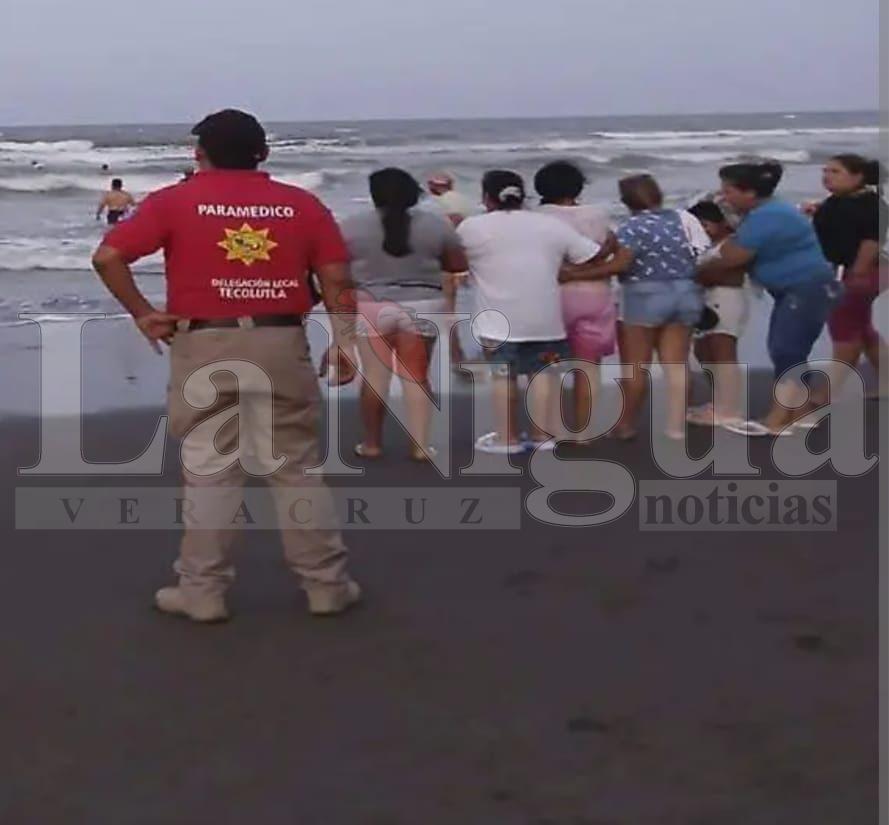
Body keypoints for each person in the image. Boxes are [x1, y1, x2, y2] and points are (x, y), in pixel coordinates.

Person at [92, 109, 361, 623]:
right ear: (263, 153)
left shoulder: (173, 201)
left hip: (204, 342)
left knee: (211, 469)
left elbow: (108, 257)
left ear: (199, 154)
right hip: (280, 340)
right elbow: (335, 276)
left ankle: (203, 591)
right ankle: (326, 585)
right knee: (295, 467)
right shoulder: (301, 204)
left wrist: (145, 315)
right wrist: (344, 341)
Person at [456, 170, 602, 453]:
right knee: (543, 374)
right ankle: (541, 436)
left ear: (486, 197)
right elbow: (588, 254)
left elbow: (453, 260)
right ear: (523, 196)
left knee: (503, 376)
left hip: (495, 323)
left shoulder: (471, 227)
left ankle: (506, 438)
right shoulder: (548, 225)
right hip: (545, 319)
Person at [698, 161, 839, 436]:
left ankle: (776, 419)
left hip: (806, 288)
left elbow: (733, 258)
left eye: (728, 191)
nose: (722, 197)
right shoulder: (765, 211)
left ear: (750, 193)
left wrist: (695, 271)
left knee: (785, 349)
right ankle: (801, 411)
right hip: (800, 289)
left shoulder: (767, 216)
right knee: (791, 349)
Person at [340, 168, 468, 461]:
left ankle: (372, 443)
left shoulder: (350, 226)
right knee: (416, 377)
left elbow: (338, 269)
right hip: (422, 304)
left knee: (374, 377)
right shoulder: (436, 225)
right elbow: (456, 263)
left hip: (371, 305)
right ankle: (421, 446)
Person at [576, 175, 709, 440]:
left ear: (626, 201)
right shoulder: (682, 219)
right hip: (685, 292)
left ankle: (626, 424)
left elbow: (621, 264)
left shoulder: (633, 226)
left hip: (644, 295)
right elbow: (701, 252)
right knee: (677, 364)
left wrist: (578, 274)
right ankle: (676, 424)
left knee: (636, 366)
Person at [534, 160, 617, 437]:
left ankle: (550, 429)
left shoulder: (536, 217)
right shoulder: (598, 214)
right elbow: (606, 249)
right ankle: (583, 432)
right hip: (594, 294)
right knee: (589, 366)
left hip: (551, 295)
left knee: (549, 366)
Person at [811, 155, 888, 402]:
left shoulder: (870, 204)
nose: (827, 176)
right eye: (825, 170)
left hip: (864, 272)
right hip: (848, 271)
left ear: (858, 177)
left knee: (844, 331)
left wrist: (858, 273)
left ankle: (827, 392)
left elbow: (872, 241)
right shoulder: (836, 201)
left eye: (835, 171)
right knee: (862, 329)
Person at [686, 200, 751, 426]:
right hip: (707, 300)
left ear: (721, 223)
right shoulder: (707, 247)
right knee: (704, 352)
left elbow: (729, 275)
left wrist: (699, 274)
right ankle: (721, 401)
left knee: (723, 353)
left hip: (726, 300)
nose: (701, 231)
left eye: (705, 225)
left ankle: (730, 409)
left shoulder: (730, 244)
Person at [427, 172, 476, 371]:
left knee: (445, 311)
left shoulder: (434, 205)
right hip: (460, 259)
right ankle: (456, 356)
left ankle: (454, 357)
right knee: (450, 311)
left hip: (441, 261)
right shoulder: (463, 201)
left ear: (433, 187)